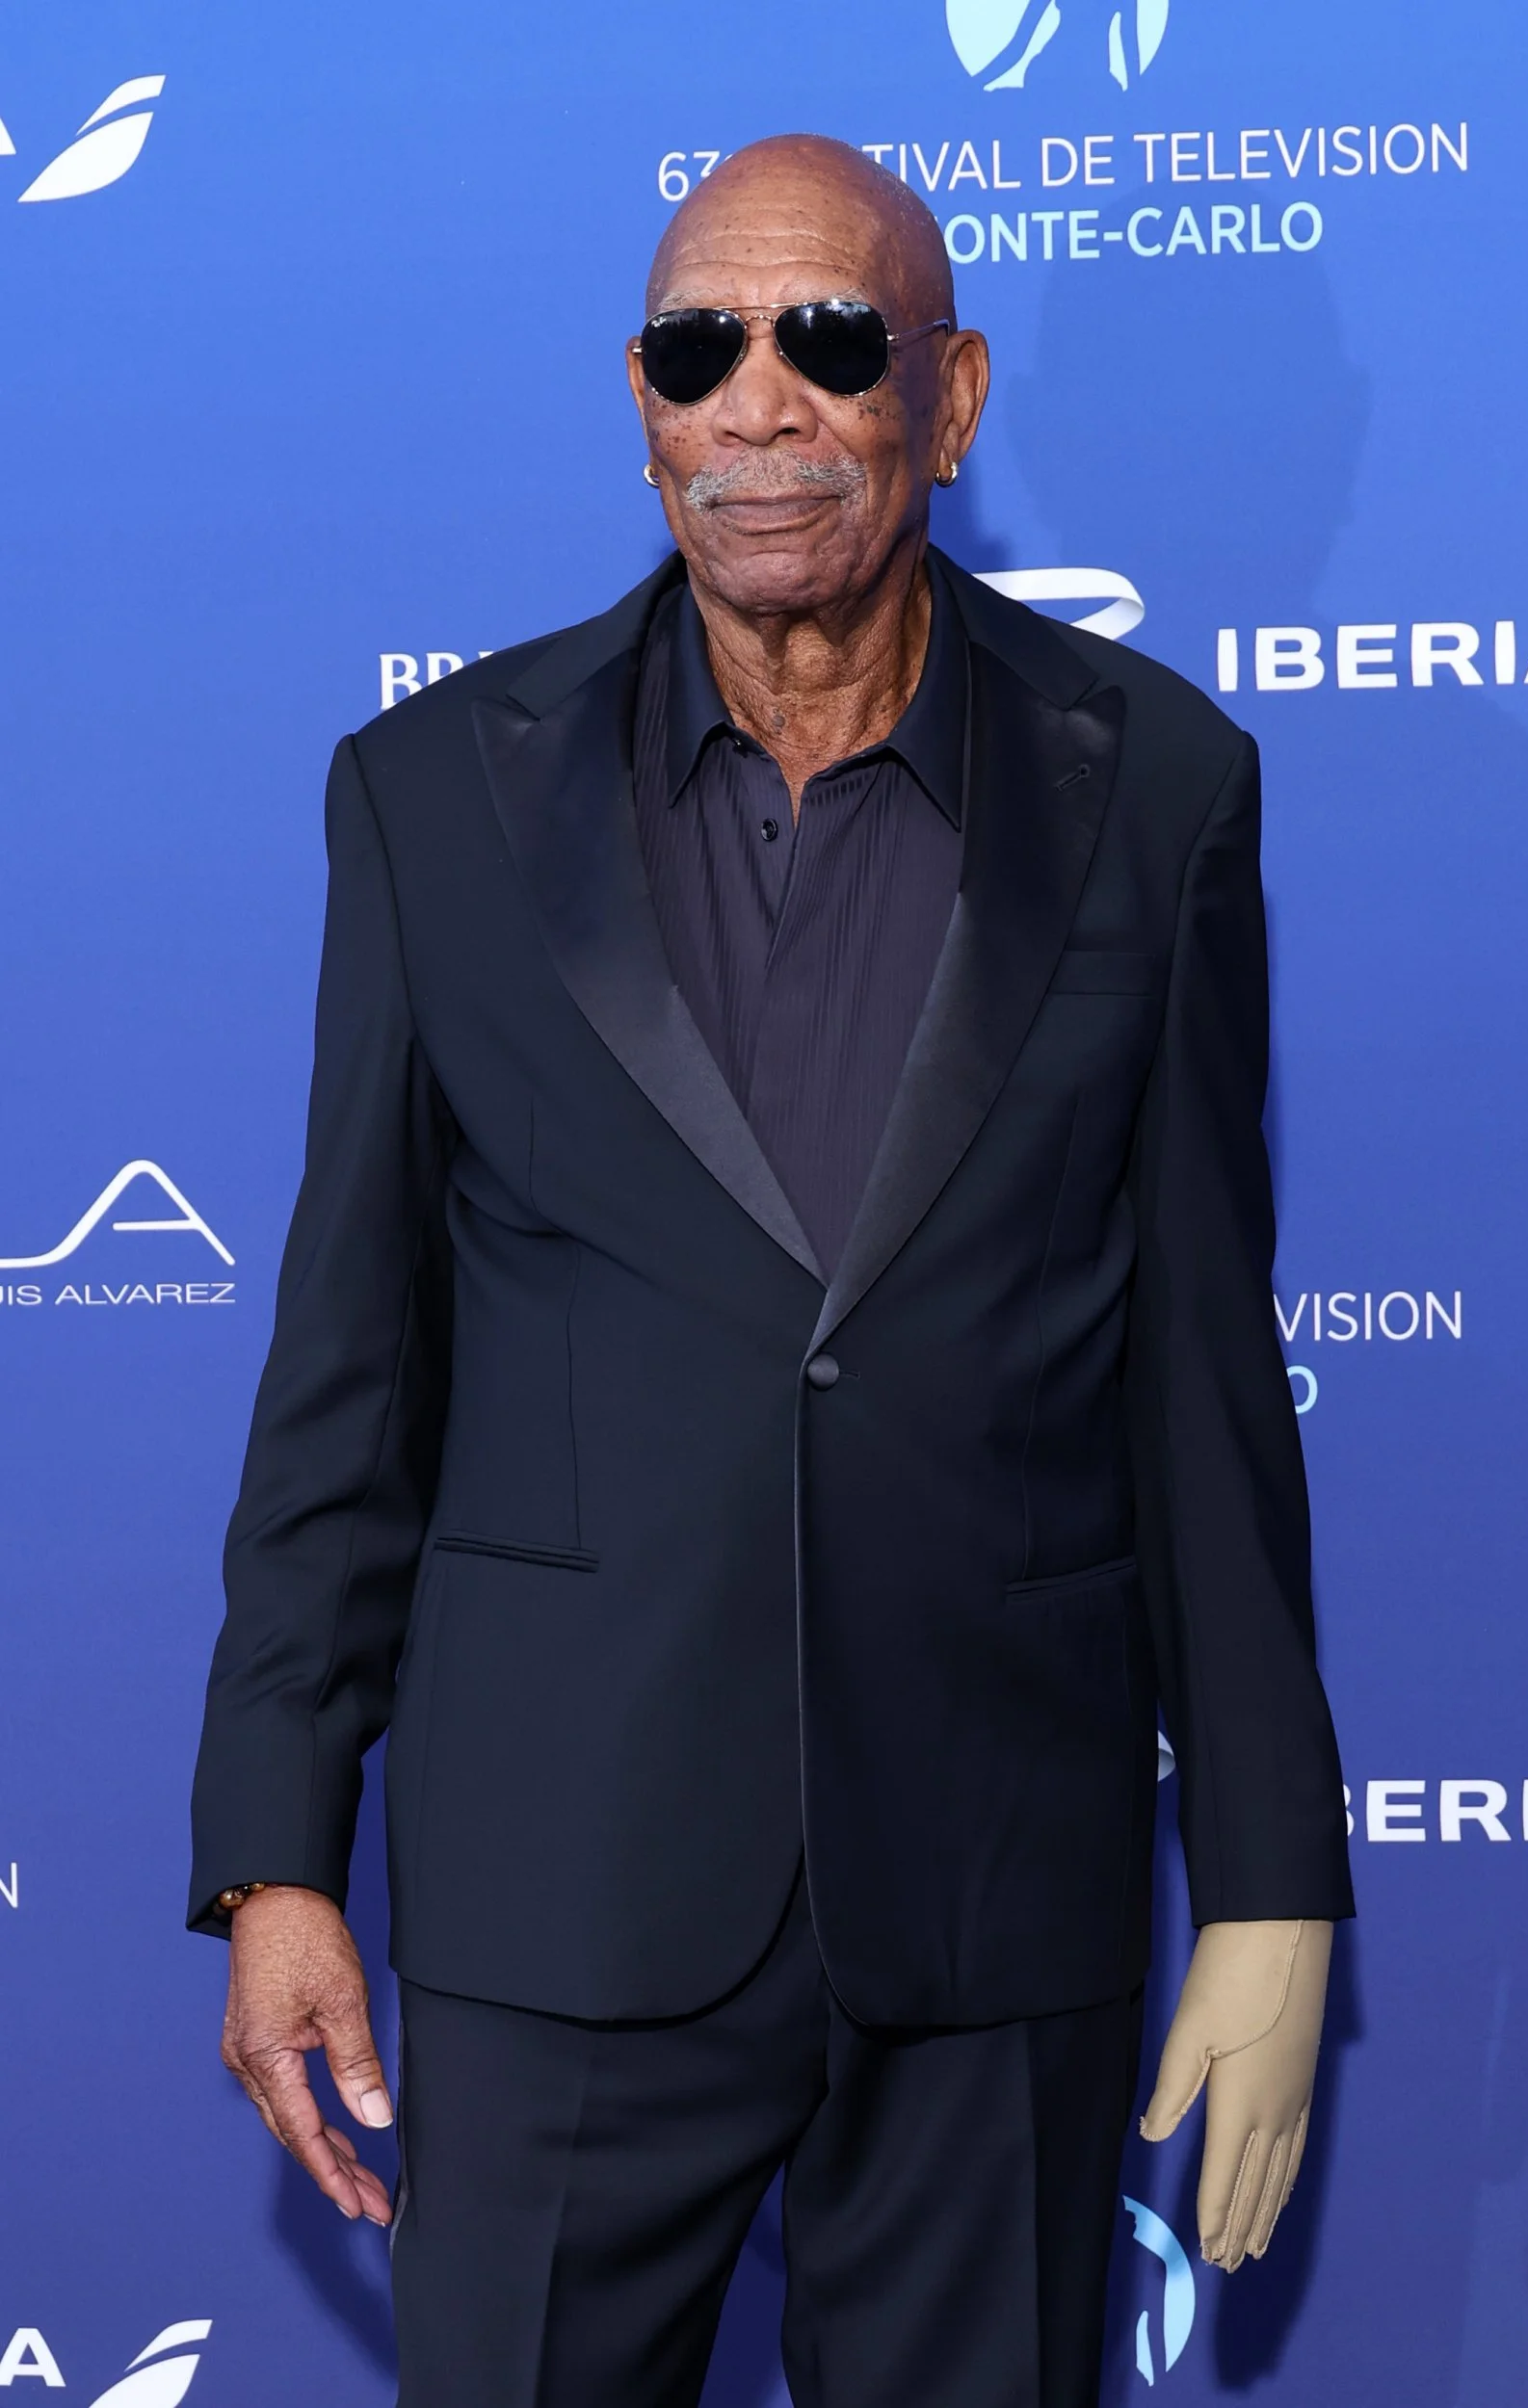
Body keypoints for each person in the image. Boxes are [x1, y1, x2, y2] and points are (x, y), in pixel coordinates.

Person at [190, 133, 1353, 2407]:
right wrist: (272, 1855)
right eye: (694, 348)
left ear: (950, 391)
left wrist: (1271, 1870)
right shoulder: (433, 797)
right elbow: (346, 1365)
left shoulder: (1158, 794)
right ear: (638, 397)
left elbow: (1201, 1388)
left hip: (987, 1890)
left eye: (828, 342)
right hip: (562, 1885)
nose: (758, 404)